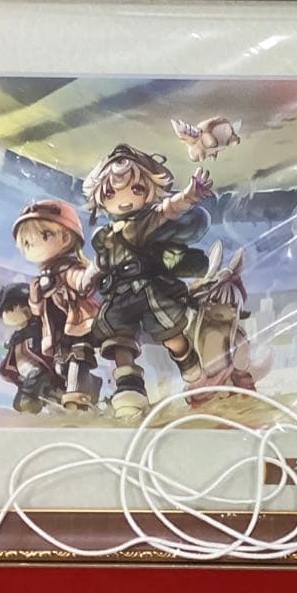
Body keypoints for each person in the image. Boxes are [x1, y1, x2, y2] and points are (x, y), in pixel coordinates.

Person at [82, 144, 213, 419]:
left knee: (172, 337)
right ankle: (129, 390)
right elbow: (101, 263)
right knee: (119, 341)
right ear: (100, 196)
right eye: (111, 192)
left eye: (136, 189)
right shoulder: (104, 236)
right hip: (120, 296)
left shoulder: (144, 222)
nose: (124, 199)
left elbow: (167, 210)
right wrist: (88, 276)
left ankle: (194, 375)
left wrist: (189, 196)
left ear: (149, 189)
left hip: (149, 292)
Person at [12, 198, 101, 412]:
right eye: (27, 243)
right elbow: (37, 310)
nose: (33, 246)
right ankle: (91, 388)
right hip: (56, 334)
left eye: (43, 236)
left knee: (78, 360)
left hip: (78, 330)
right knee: (62, 367)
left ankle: (77, 401)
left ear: (65, 237)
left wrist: (96, 267)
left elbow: (82, 283)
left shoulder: (67, 269)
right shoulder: (40, 279)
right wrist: (35, 298)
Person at [0, 282, 60, 414]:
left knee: (33, 381)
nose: (5, 316)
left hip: (37, 367)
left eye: (8, 310)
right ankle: (27, 401)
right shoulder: (19, 334)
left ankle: (30, 401)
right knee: (25, 388)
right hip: (22, 368)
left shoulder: (38, 327)